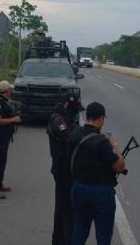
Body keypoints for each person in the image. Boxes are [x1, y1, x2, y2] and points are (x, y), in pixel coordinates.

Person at [69, 102, 125, 245]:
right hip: (100, 192)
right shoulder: (101, 142)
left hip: (79, 188)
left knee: (79, 230)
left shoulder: (75, 133)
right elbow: (119, 166)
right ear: (100, 119)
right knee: (103, 236)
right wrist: (116, 146)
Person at [47, 94, 79, 245]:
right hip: (62, 169)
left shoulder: (64, 118)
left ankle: (60, 239)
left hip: (65, 168)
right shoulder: (58, 120)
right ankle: (62, 240)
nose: (76, 113)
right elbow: (70, 137)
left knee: (65, 207)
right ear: (67, 105)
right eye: (74, 109)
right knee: (65, 208)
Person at [0, 80, 21, 199]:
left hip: (5, 136)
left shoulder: (3, 102)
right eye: (10, 90)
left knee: (2, 160)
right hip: (0, 136)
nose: (11, 91)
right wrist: (13, 120)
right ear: (6, 91)